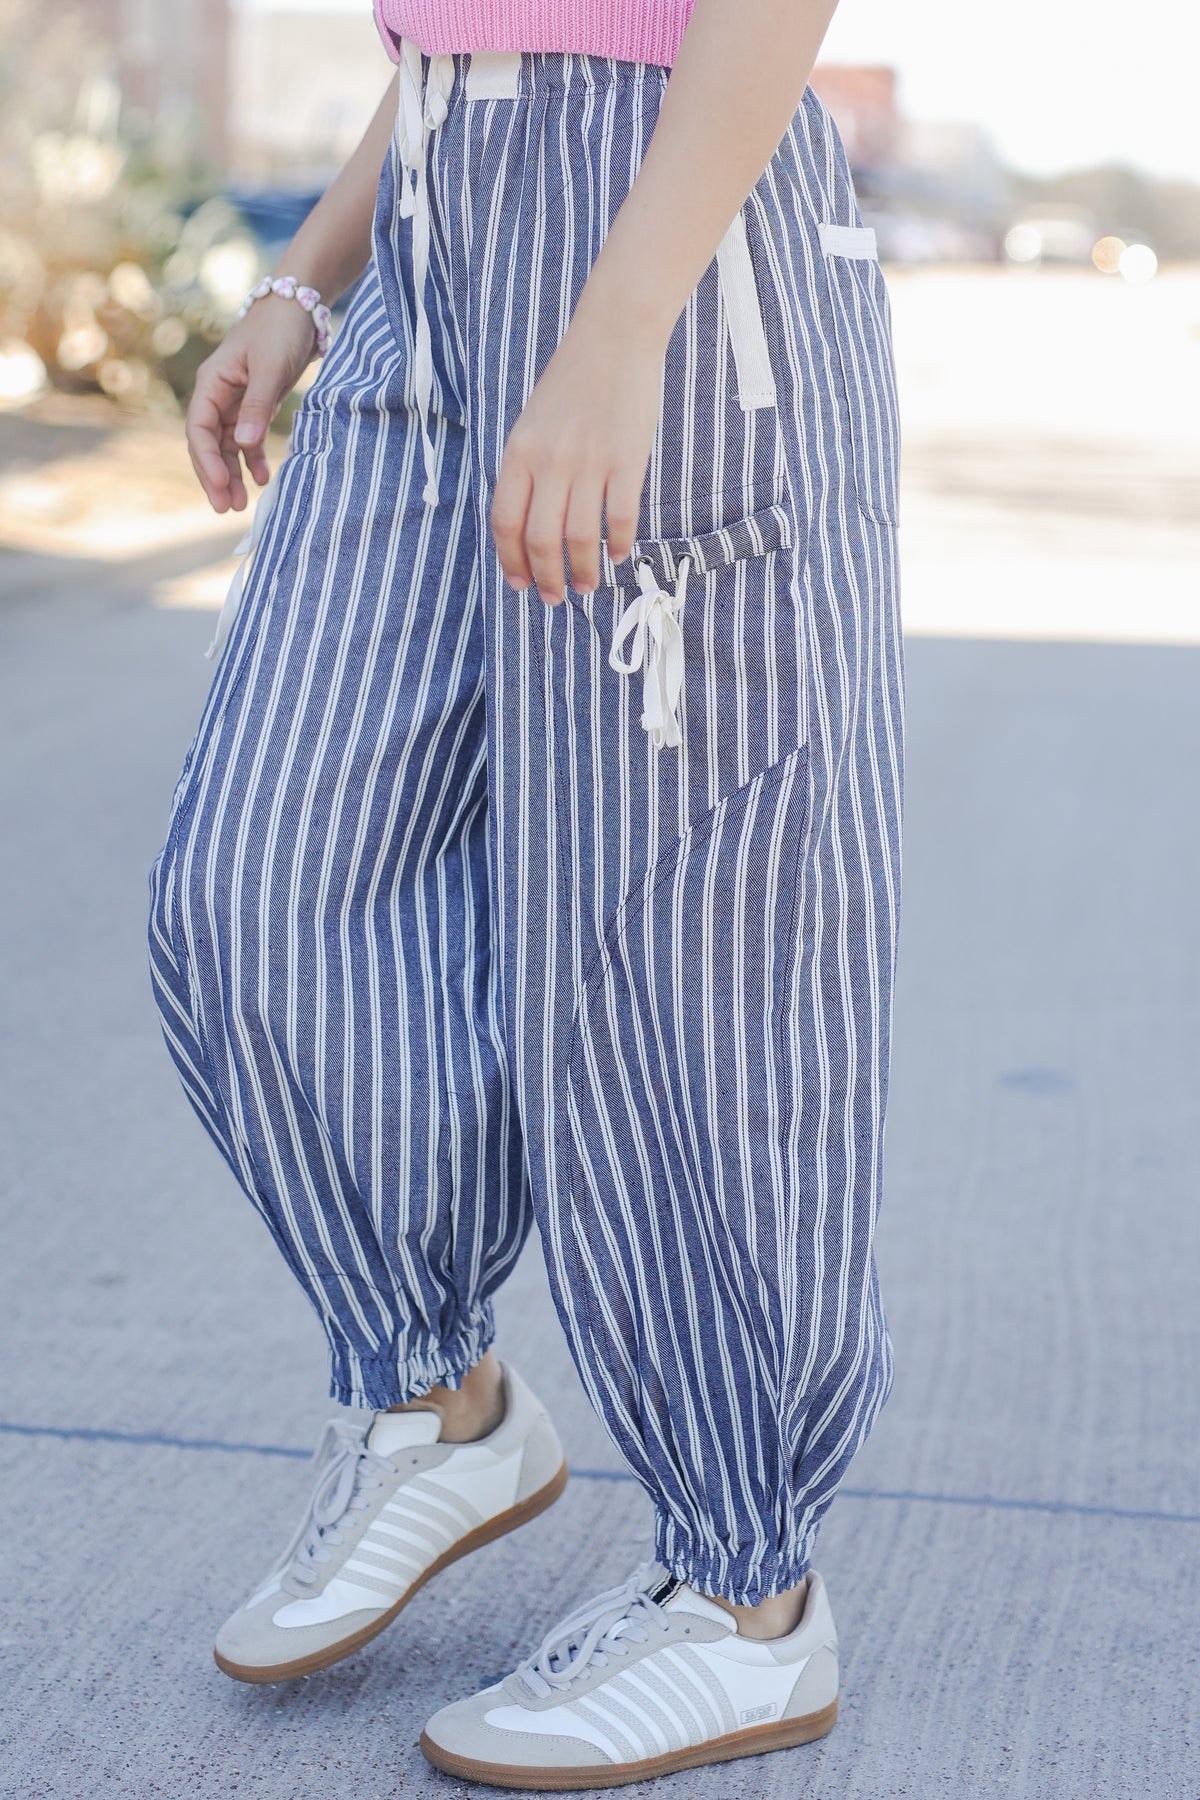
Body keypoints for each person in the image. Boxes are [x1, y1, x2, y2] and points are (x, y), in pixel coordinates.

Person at [147, 0, 904, 1785]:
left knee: (671, 948)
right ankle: (435, 1398)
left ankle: (741, 1599)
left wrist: (625, 315)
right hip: (434, 217)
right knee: (256, 883)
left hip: (676, 239)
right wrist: (313, 276)